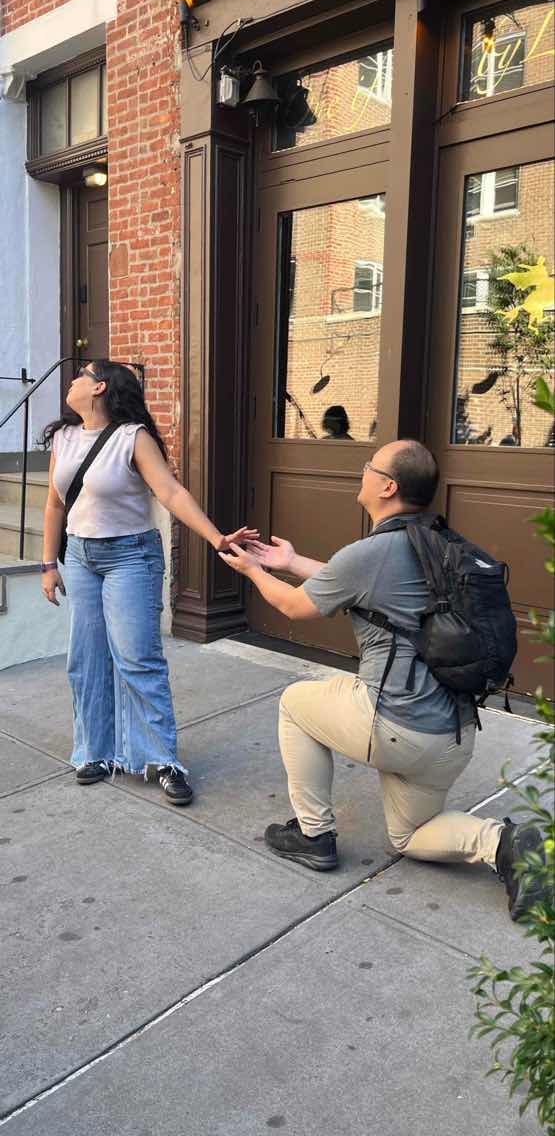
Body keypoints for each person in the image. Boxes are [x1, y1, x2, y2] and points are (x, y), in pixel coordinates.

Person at [220, 439, 545, 921]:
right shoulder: (436, 541)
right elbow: (352, 583)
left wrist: (251, 570)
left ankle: (313, 836)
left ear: (388, 486)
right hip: (452, 737)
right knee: (410, 836)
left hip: (397, 726)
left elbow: (293, 606)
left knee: (294, 702)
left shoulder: (373, 551)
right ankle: (508, 844)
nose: (363, 470)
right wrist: (286, 563)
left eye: (370, 466)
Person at [40, 360, 257, 805]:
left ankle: (163, 759)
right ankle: (95, 751)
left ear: (99, 387)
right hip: (80, 556)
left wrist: (216, 537)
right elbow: (54, 505)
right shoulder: (63, 438)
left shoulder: (131, 437)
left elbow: (171, 493)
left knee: (138, 657)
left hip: (130, 557)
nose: (73, 380)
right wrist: (48, 564)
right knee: (86, 658)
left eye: (81, 373)